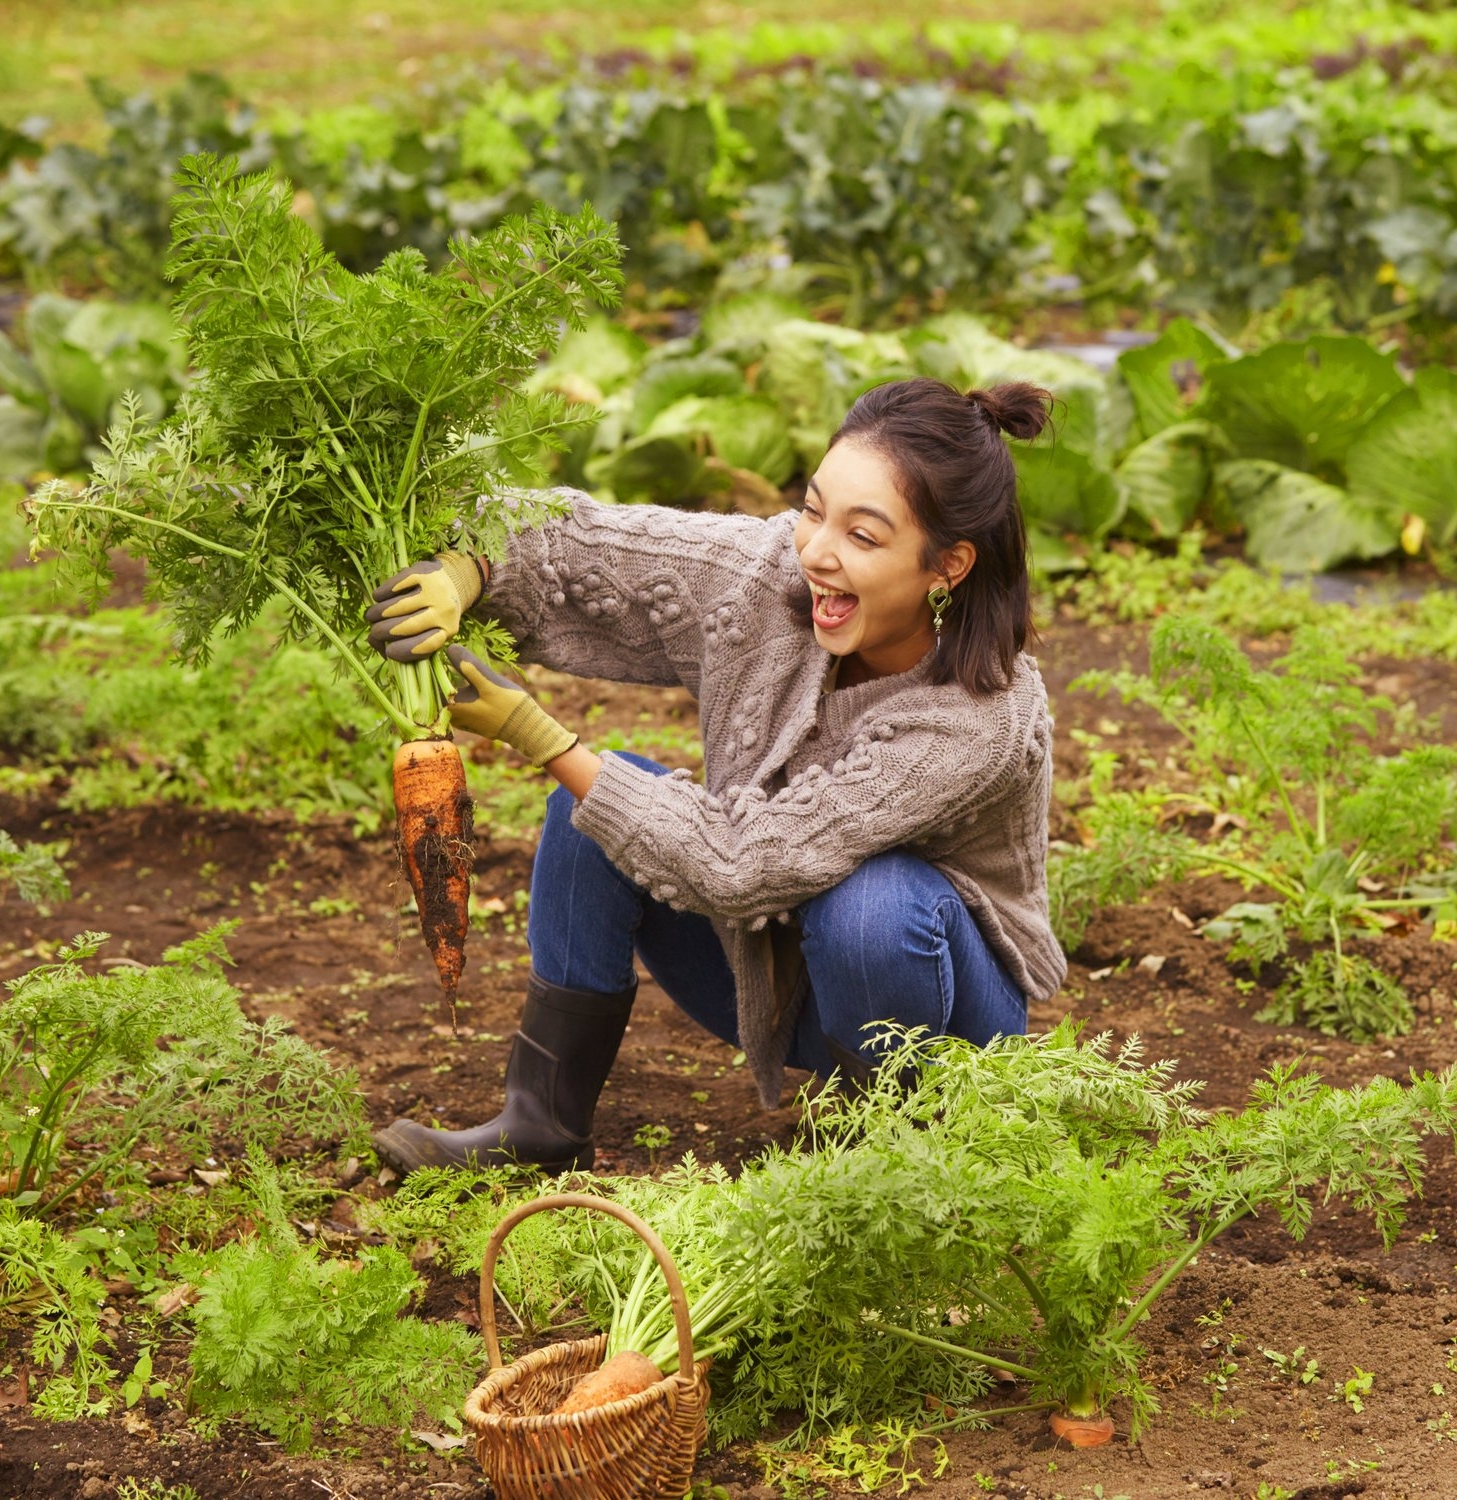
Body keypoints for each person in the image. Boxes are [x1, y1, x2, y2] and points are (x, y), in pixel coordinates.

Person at [366, 378, 1066, 1172]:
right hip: (778, 978)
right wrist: (473, 570)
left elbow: (747, 861)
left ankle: (896, 1161)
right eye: (813, 509)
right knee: (588, 815)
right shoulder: (771, 578)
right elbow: (586, 544)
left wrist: (536, 733)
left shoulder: (981, 712)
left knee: (873, 903)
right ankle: (541, 1125)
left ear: (948, 564)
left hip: (945, 1015)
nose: (816, 551)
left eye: (863, 537)